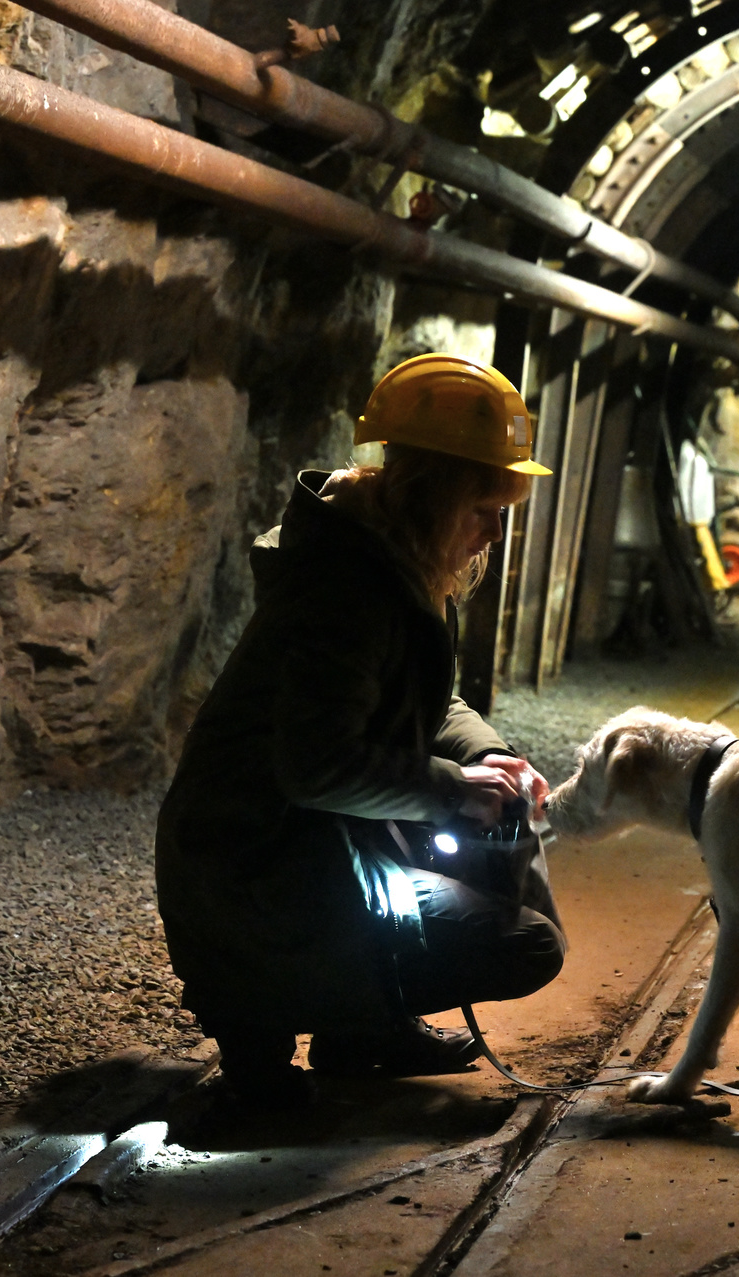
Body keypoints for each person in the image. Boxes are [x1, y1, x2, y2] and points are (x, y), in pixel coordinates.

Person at [156, 354, 563, 1103]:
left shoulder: (380, 552)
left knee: (505, 847)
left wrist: (493, 758)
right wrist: (450, 791)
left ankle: (356, 1024)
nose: (493, 533)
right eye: (485, 508)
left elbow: (425, 702)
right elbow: (317, 767)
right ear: (436, 492)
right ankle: (283, 1006)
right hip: (256, 874)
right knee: (526, 942)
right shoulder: (350, 590)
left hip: (291, 853)